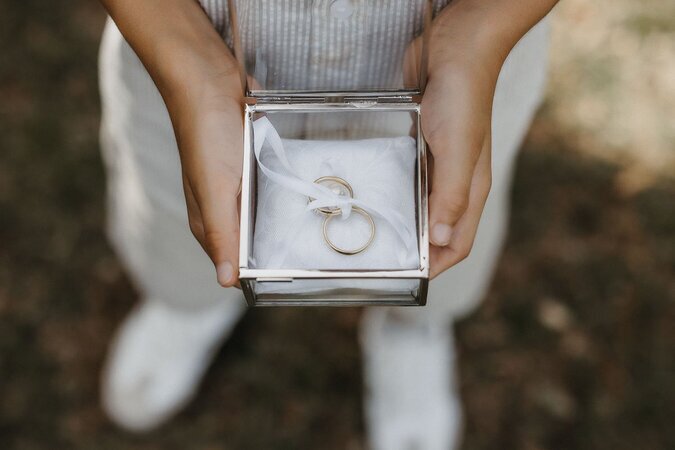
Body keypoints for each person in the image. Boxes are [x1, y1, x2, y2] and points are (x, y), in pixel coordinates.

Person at [97, 0, 557, 448]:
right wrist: (180, 49)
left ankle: (410, 325)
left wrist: (483, 25)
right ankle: (190, 301)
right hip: (193, 56)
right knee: (187, 220)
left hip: (451, 74)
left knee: (441, 226)